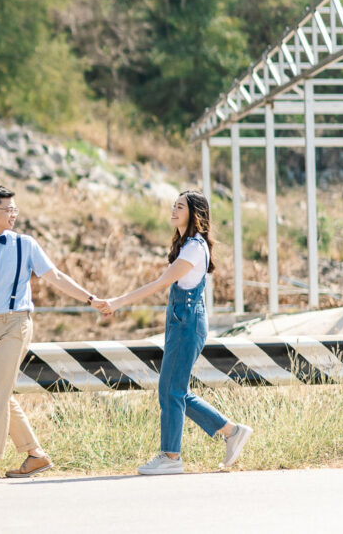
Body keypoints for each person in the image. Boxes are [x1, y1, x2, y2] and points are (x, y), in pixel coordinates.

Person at [0, 185, 107, 480]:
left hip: (16, 324)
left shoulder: (26, 245)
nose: (14, 215)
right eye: (9, 210)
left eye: (15, 209)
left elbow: (55, 276)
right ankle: (35, 455)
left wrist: (90, 299)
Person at [99, 190, 253, 475]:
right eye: (174, 205)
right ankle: (231, 431)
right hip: (181, 323)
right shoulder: (187, 245)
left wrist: (118, 302)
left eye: (179, 206)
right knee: (174, 390)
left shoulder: (195, 246)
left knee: (171, 390)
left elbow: (161, 283)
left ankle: (171, 456)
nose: (173, 209)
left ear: (194, 213)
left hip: (187, 324)